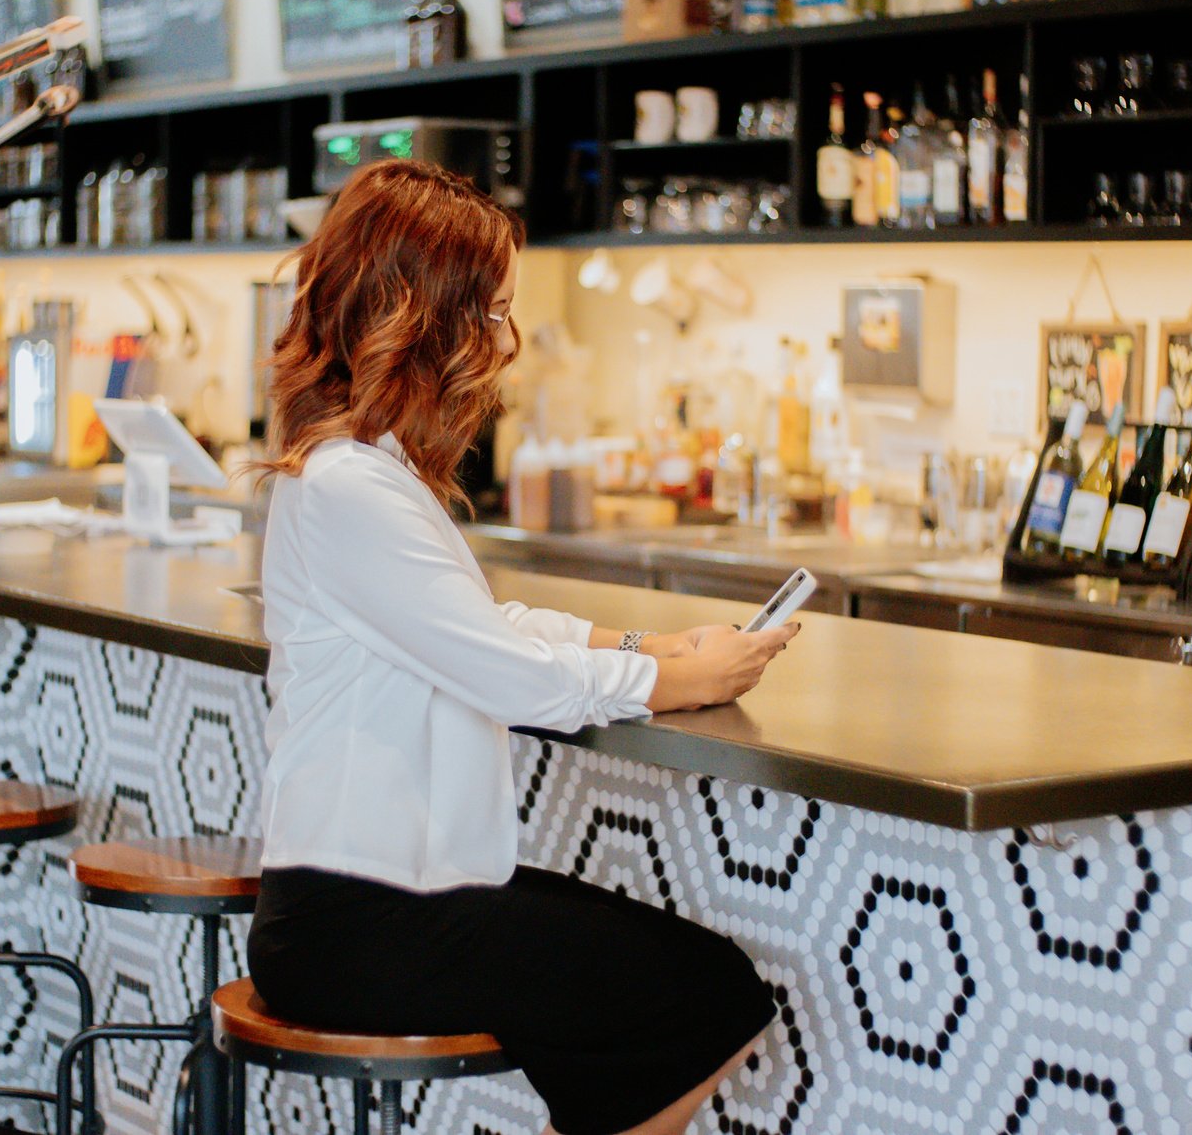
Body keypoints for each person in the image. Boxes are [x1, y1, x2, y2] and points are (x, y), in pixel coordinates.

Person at [248, 158, 797, 1135]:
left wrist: (649, 643)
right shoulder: (348, 484)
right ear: (423, 318)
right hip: (365, 918)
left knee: (678, 999)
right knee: (704, 995)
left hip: (392, 896)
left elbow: (475, 631)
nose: (502, 342)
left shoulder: (357, 471)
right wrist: (670, 680)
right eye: (490, 313)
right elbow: (503, 676)